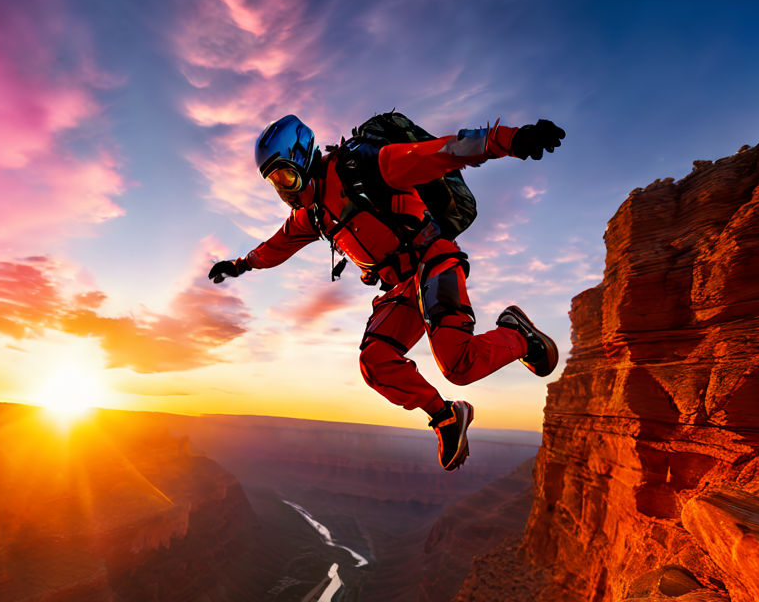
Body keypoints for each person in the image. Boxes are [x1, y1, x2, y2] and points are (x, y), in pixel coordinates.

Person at [208, 113, 565, 470]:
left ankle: (517, 335)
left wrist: (513, 139)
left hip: (433, 260)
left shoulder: (364, 166)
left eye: (284, 174)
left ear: (303, 157)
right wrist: (241, 265)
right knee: (374, 362)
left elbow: (446, 151)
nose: (284, 188)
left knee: (458, 365)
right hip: (400, 288)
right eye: (274, 182)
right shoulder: (314, 215)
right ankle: (447, 417)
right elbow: (277, 245)